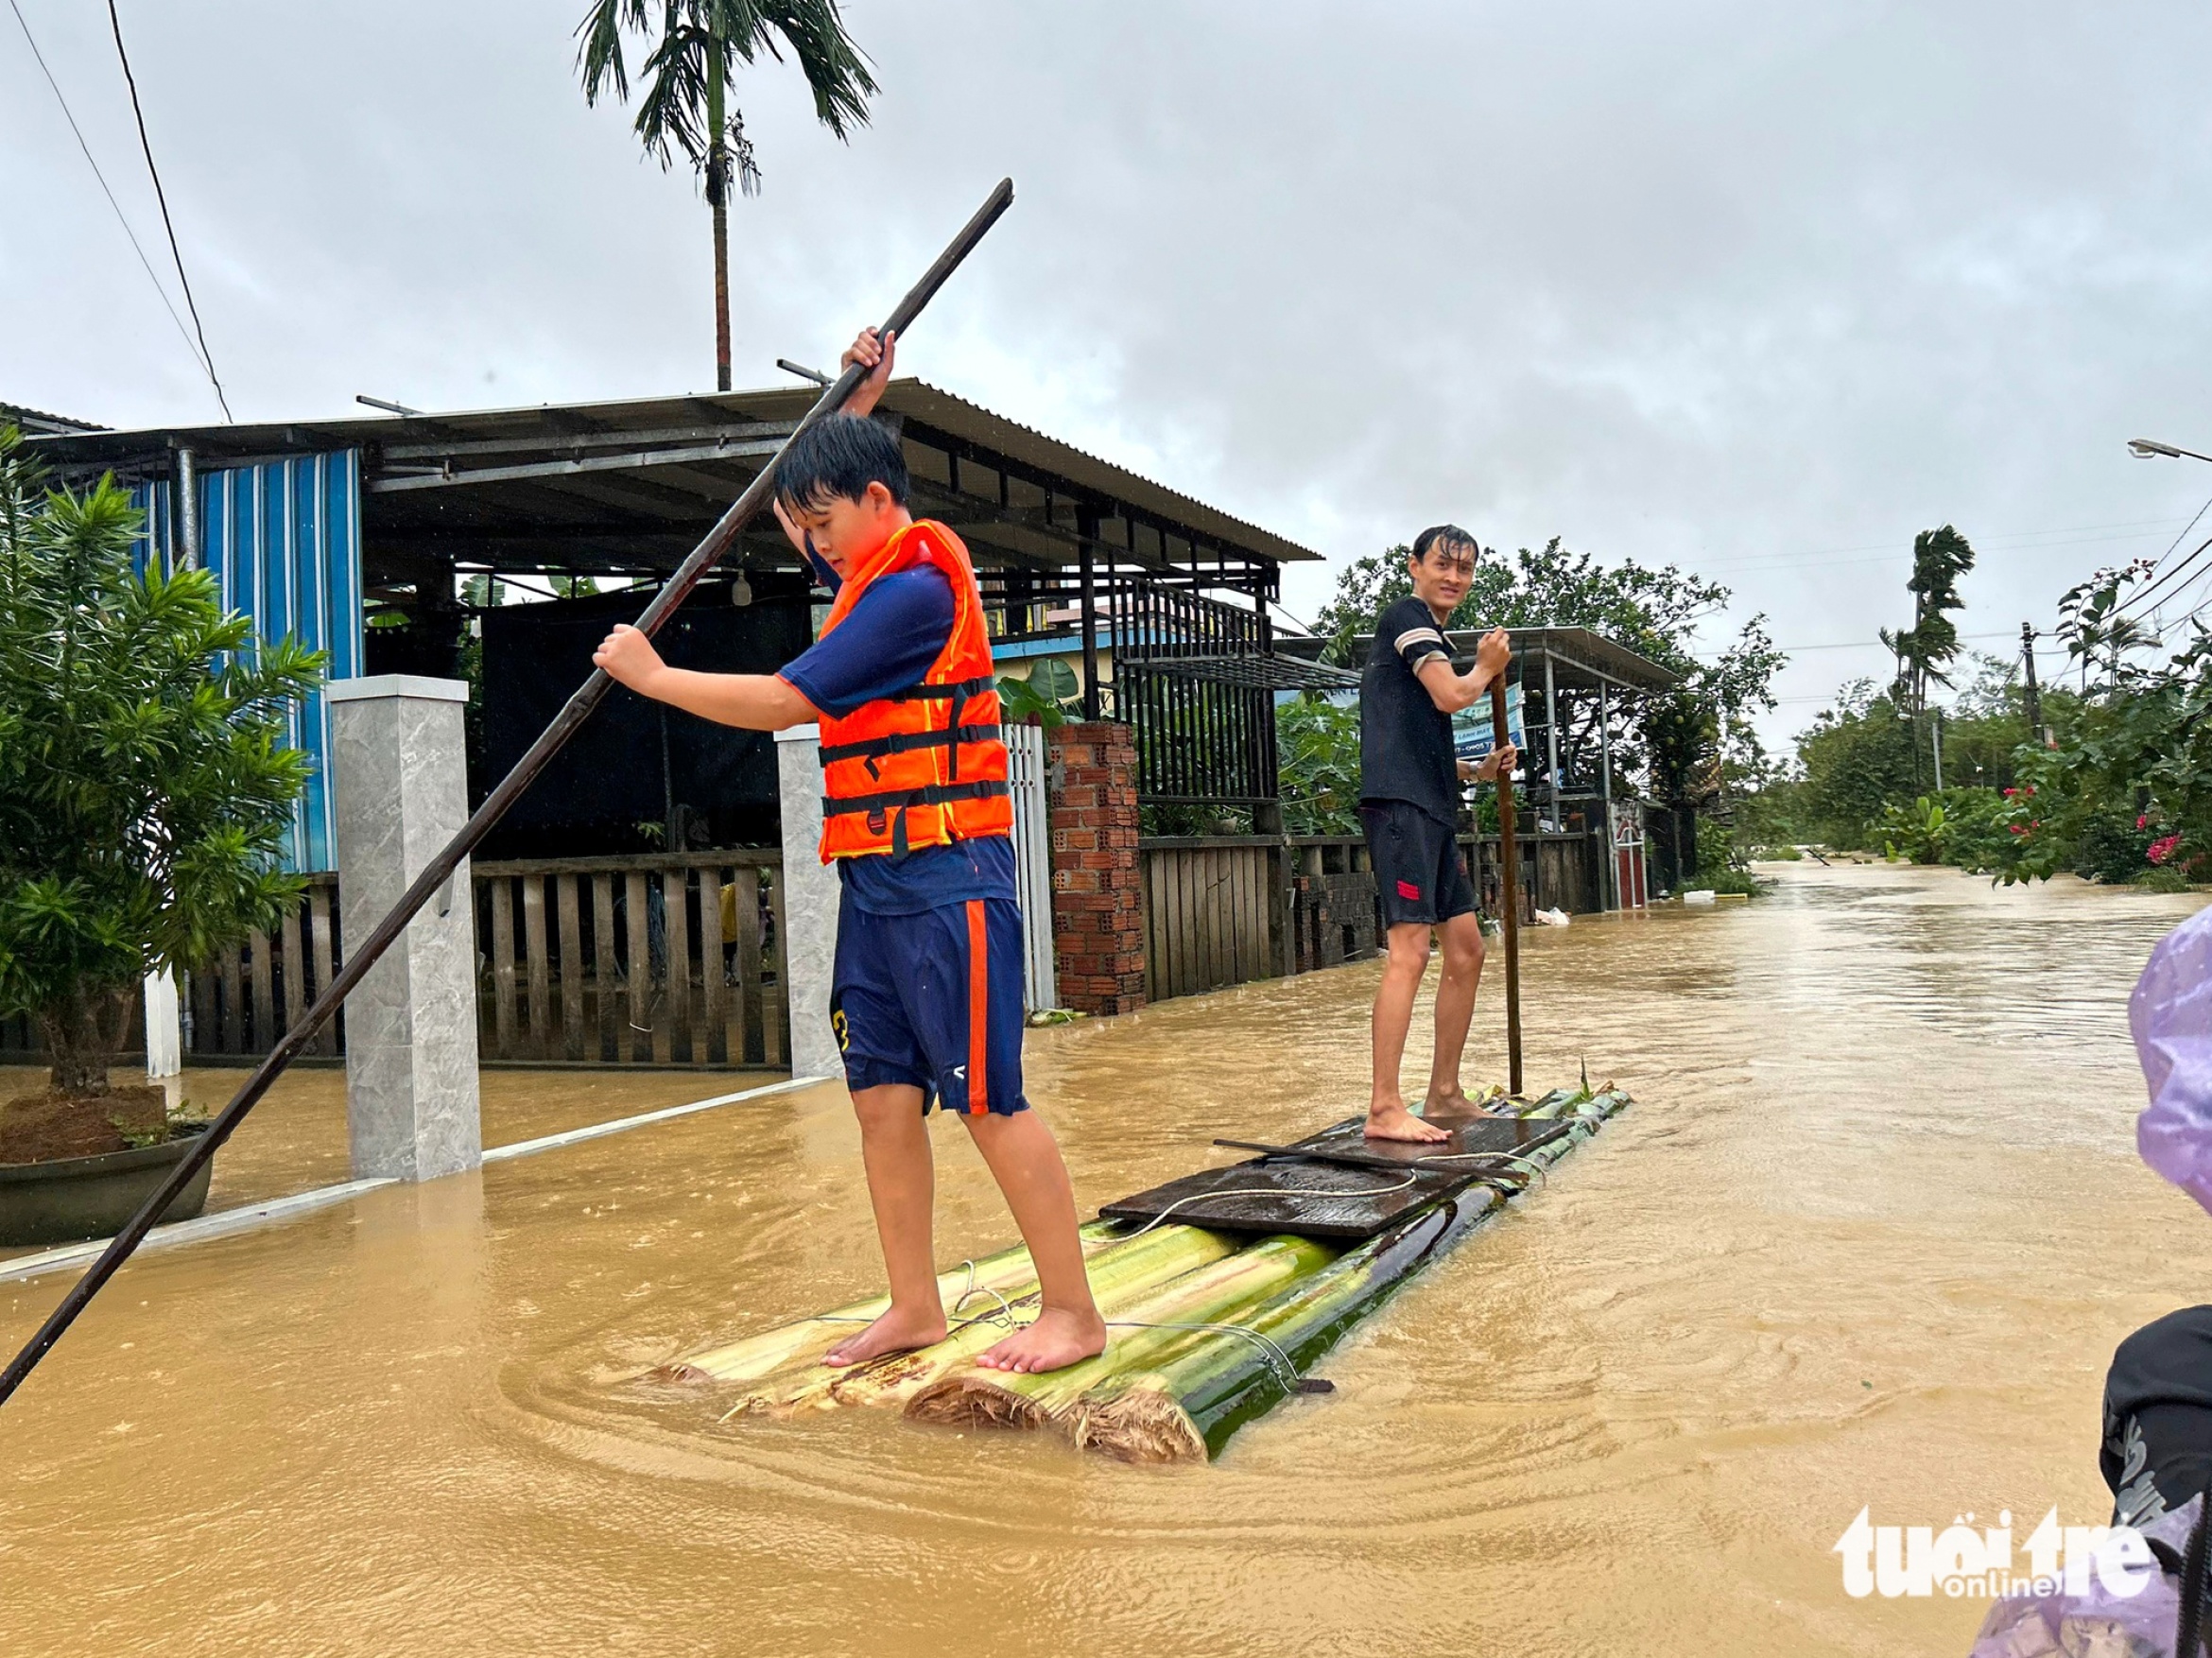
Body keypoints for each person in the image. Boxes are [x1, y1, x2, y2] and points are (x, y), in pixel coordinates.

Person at [592, 326, 1107, 1375]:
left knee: (988, 1100)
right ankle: (913, 1307)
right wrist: (858, 402)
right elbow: (837, 492)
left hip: (949, 876)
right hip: (876, 883)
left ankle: (1073, 1313)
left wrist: (651, 676)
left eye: (824, 525)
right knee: (879, 1097)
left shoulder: (914, 592)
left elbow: (787, 697)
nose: (814, 546)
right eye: (804, 528)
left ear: (878, 506)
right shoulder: (871, 554)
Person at [1357, 525, 1517, 1143]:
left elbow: (1423, 735)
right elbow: (1452, 696)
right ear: (1415, 566)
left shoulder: (1430, 633)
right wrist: (1484, 668)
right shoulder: (1407, 616)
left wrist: (1478, 769)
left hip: (1433, 806)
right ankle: (1383, 1108)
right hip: (1400, 810)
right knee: (1409, 951)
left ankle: (1444, 1092)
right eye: (1443, 565)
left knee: (1468, 949)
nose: (1454, 577)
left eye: (1465, 569)